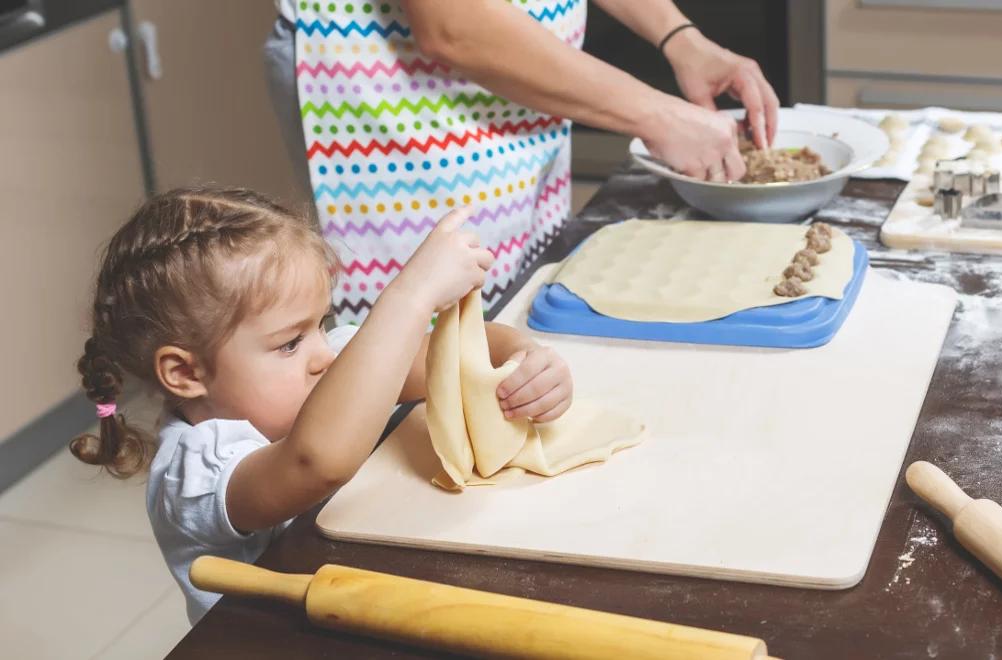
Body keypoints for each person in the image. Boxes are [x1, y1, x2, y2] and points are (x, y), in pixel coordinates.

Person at [70, 187, 574, 623]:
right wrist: (410, 296)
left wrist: (521, 357)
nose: (321, 354)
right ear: (186, 374)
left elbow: (443, 359)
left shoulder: (324, 357)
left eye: (321, 322)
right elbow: (316, 461)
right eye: (289, 343)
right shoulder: (194, 476)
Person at [264, 0, 782, 323]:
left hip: (518, 94)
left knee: (509, 321)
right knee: (420, 362)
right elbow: (454, 23)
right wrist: (658, 115)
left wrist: (679, 37)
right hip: (395, 98)